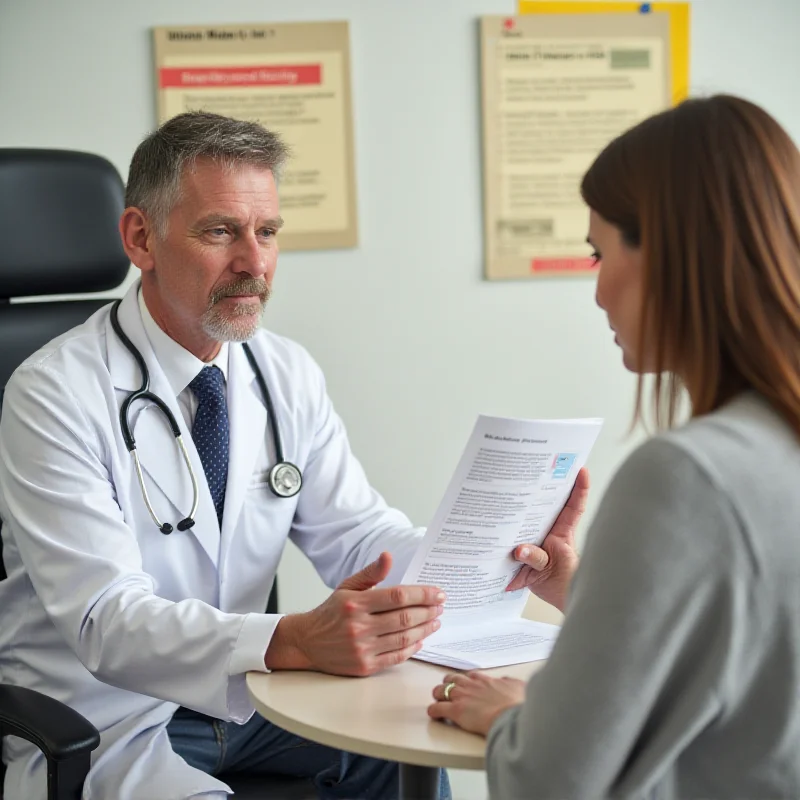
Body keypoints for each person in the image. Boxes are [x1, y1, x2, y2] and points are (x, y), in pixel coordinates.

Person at [0, 112, 585, 800]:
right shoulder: (52, 392)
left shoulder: (285, 372)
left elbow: (360, 536)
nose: (254, 262)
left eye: (268, 232)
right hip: (111, 714)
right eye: (220, 231)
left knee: (410, 768)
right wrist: (296, 639)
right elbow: (108, 621)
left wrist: (497, 554)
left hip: (255, 701)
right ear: (140, 238)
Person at [429, 94, 800, 798]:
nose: (597, 291)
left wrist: (516, 720)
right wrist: (592, 593)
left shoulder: (689, 476)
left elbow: (554, 780)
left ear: (673, 250)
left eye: (601, 253)